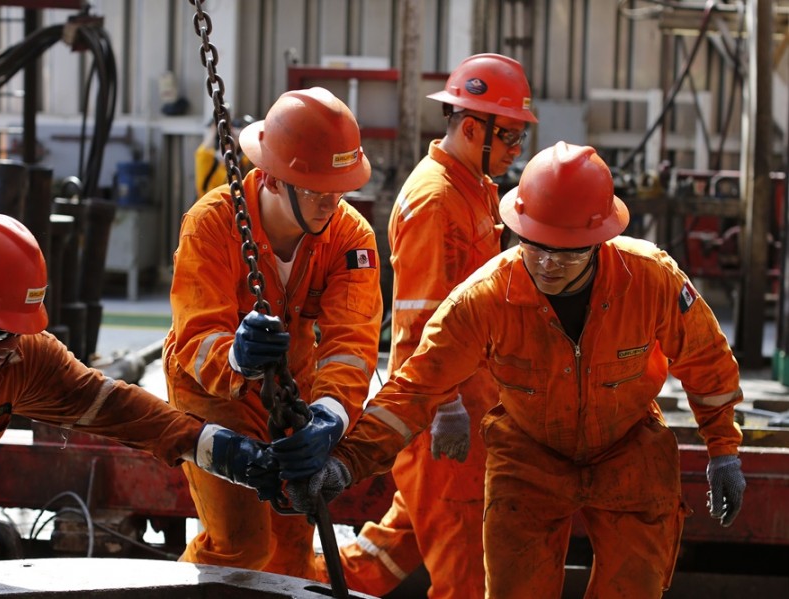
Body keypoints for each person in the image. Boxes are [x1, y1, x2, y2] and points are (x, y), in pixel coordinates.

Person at [275, 141, 747, 598]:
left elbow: (706, 361)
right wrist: (346, 461)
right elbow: (414, 388)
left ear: (599, 241)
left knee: (634, 587)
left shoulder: (650, 280)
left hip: (629, 448)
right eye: (534, 245)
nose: (545, 264)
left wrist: (723, 450)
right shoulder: (485, 298)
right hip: (528, 456)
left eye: (565, 252)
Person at [0, 214, 276, 573]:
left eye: (21, 329)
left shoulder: (19, 358)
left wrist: (216, 448)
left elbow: (109, 404)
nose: (12, 347)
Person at [311, 53, 537, 598]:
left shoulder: (474, 187)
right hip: (443, 420)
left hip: (462, 412)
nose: (515, 151)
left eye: (519, 139)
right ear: (469, 128)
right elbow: (422, 323)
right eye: (508, 137)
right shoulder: (436, 201)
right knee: (462, 573)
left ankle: (291, 584)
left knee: (389, 552)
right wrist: (451, 409)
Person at [164, 86, 383, 580]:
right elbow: (197, 337)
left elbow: (353, 342)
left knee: (289, 556)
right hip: (212, 395)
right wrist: (236, 358)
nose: (331, 203)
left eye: (339, 189)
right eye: (315, 190)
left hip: (292, 392)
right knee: (239, 545)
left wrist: (329, 416)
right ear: (269, 179)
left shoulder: (351, 238)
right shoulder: (212, 226)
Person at [194, 110, 255, 198]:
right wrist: (215, 127)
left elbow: (254, 157)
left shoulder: (242, 163)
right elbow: (203, 151)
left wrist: (247, 133)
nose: (229, 143)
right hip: (212, 206)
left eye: (234, 137)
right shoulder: (210, 161)